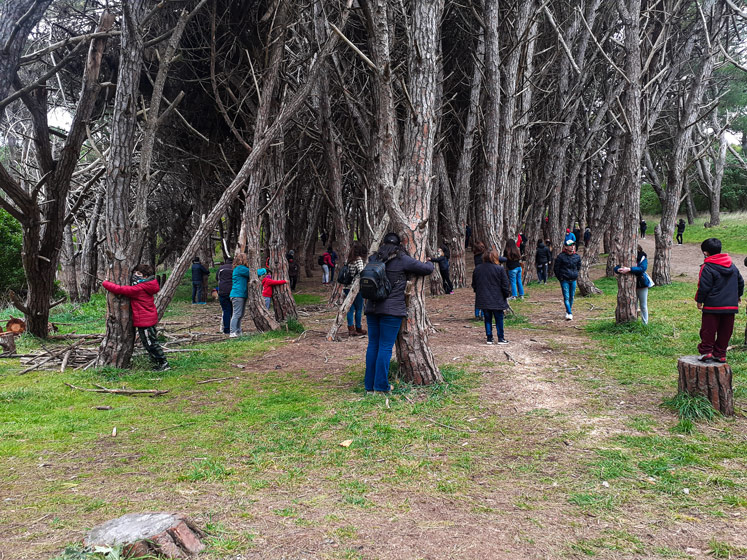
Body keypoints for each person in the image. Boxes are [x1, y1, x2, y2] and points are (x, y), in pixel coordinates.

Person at [364, 232, 434, 393]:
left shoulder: (373, 259)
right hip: (392, 310)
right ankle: (381, 386)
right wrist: (430, 262)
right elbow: (425, 269)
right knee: (385, 346)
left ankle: (369, 386)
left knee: (373, 345)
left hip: (372, 307)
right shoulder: (402, 259)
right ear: (399, 245)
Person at [102, 264, 169, 371]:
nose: (134, 275)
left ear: (145, 277)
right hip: (146, 320)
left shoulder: (140, 288)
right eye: (134, 273)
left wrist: (105, 283)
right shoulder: (146, 285)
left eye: (138, 274)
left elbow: (121, 289)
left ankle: (163, 363)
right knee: (148, 343)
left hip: (146, 321)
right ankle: (157, 363)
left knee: (151, 343)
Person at [695, 238, 744, 363]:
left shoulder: (707, 267)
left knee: (708, 329)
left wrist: (699, 300)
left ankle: (706, 352)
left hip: (713, 306)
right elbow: (740, 282)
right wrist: (738, 295)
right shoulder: (732, 266)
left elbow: (703, 286)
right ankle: (720, 353)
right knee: (726, 330)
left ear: (705, 253)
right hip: (730, 306)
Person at [472, 250, 510, 345]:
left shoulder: (478, 269)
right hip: (497, 298)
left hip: (484, 298)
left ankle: (489, 338)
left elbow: (474, 284)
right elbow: (505, 284)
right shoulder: (499, 269)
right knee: (499, 319)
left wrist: (479, 292)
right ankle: (500, 338)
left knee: (487, 318)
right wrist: (506, 294)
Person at [614, 245, 652, 325]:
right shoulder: (624, 257)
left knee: (643, 305)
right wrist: (618, 269)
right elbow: (616, 266)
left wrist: (629, 269)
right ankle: (631, 321)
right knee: (632, 304)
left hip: (641, 284)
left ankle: (645, 324)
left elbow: (642, 269)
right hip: (628, 285)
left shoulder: (642, 258)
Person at [343, 241, 368, 337]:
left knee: (350, 309)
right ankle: (358, 328)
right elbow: (362, 272)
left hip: (347, 286)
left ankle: (351, 328)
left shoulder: (349, 260)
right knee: (359, 309)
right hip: (356, 288)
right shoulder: (358, 260)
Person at [553, 240, 581, 320]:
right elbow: (556, 268)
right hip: (564, 280)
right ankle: (569, 312)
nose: (572, 247)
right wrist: (560, 278)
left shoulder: (577, 256)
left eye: (573, 245)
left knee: (571, 297)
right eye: (570, 245)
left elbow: (578, 266)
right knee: (566, 297)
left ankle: (568, 310)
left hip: (573, 279)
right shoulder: (561, 257)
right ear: (565, 247)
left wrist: (575, 274)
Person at [229, 253, 251, 337]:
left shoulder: (239, 269)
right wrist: (264, 270)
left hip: (241, 294)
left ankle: (238, 331)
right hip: (238, 294)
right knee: (237, 314)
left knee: (240, 314)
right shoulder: (241, 269)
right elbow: (253, 273)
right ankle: (233, 331)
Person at [216, 257, 233, 334]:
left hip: (222, 291)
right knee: (234, 311)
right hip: (233, 291)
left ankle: (227, 329)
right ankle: (234, 328)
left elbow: (217, 278)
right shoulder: (235, 268)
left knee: (226, 310)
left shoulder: (221, 268)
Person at [472, 241, 487, 318]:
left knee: (478, 297)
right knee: (484, 297)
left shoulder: (475, 256)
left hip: (477, 275)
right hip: (484, 275)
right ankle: (483, 314)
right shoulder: (484, 256)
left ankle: (477, 314)